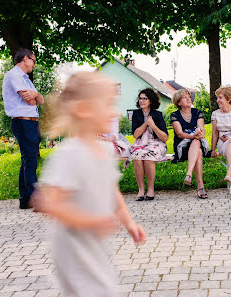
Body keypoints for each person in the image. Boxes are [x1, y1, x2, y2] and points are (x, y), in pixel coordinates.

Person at [32, 71, 146, 297]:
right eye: (107, 104)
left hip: (93, 243)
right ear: (83, 109)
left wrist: (129, 222)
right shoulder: (69, 154)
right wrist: (91, 222)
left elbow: (112, 192)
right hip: (72, 246)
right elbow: (47, 203)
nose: (114, 111)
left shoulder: (103, 150)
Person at [2, 48, 44, 209]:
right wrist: (35, 96)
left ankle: (25, 199)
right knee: (30, 161)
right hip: (23, 122)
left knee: (27, 160)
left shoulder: (26, 79)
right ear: (25, 59)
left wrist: (36, 95)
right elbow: (30, 101)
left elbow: (40, 100)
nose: (34, 64)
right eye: (33, 60)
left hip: (31, 122)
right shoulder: (13, 75)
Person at [170, 89, 209, 199]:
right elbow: (180, 133)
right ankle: (201, 187)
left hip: (197, 142)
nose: (188, 98)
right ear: (178, 102)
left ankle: (189, 174)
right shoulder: (175, 115)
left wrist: (199, 133)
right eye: (184, 97)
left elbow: (202, 129)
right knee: (199, 151)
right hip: (182, 146)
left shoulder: (197, 112)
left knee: (197, 144)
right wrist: (193, 136)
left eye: (188, 96)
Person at [130, 88, 168, 201]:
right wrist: (146, 123)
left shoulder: (158, 115)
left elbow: (165, 138)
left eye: (145, 99)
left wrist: (153, 125)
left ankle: (150, 189)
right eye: (140, 98)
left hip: (156, 143)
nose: (142, 101)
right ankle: (141, 190)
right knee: (137, 155)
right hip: (141, 142)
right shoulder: (136, 114)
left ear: (150, 101)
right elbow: (136, 135)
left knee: (148, 156)